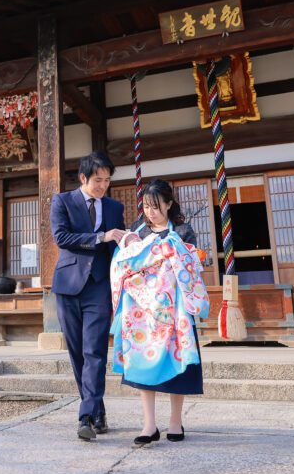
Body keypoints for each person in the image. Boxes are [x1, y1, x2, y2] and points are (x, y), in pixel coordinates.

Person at [111, 179, 209, 446]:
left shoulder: (182, 231)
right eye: (146, 207)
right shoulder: (137, 230)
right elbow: (125, 262)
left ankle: (175, 420)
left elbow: (192, 264)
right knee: (142, 361)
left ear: (169, 204)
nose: (150, 212)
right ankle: (149, 424)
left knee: (177, 360)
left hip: (174, 306)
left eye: (156, 207)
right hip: (141, 309)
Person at [49, 151, 126, 441]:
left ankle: (85, 416)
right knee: (77, 353)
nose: (103, 185)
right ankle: (98, 410)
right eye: (98, 180)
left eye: (107, 180)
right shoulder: (63, 201)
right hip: (68, 285)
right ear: (83, 178)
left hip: (99, 286)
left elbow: (118, 244)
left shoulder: (115, 207)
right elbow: (61, 238)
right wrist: (100, 237)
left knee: (94, 350)